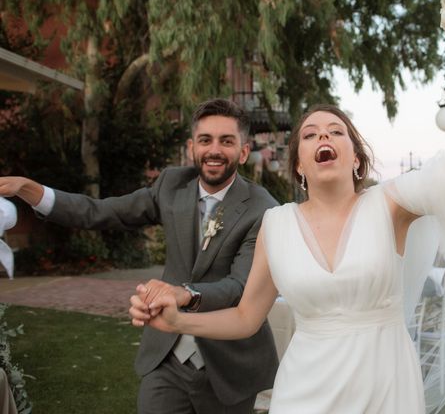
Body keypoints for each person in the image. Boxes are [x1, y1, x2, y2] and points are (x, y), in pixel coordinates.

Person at [132, 2, 445, 413]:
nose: (324, 138)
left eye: (336, 132)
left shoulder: (391, 204)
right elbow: (246, 317)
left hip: (385, 386)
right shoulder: (275, 224)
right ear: (299, 163)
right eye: (310, 134)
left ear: (355, 156)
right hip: (304, 390)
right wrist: (179, 322)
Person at [0, 99, 279, 413]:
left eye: (226, 141)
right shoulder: (172, 185)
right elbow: (103, 212)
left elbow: (239, 286)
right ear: (192, 147)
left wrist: (184, 294)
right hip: (167, 357)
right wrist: (35, 192)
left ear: (243, 151)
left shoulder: (263, 208)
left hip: (229, 365)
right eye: (205, 140)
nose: (214, 150)